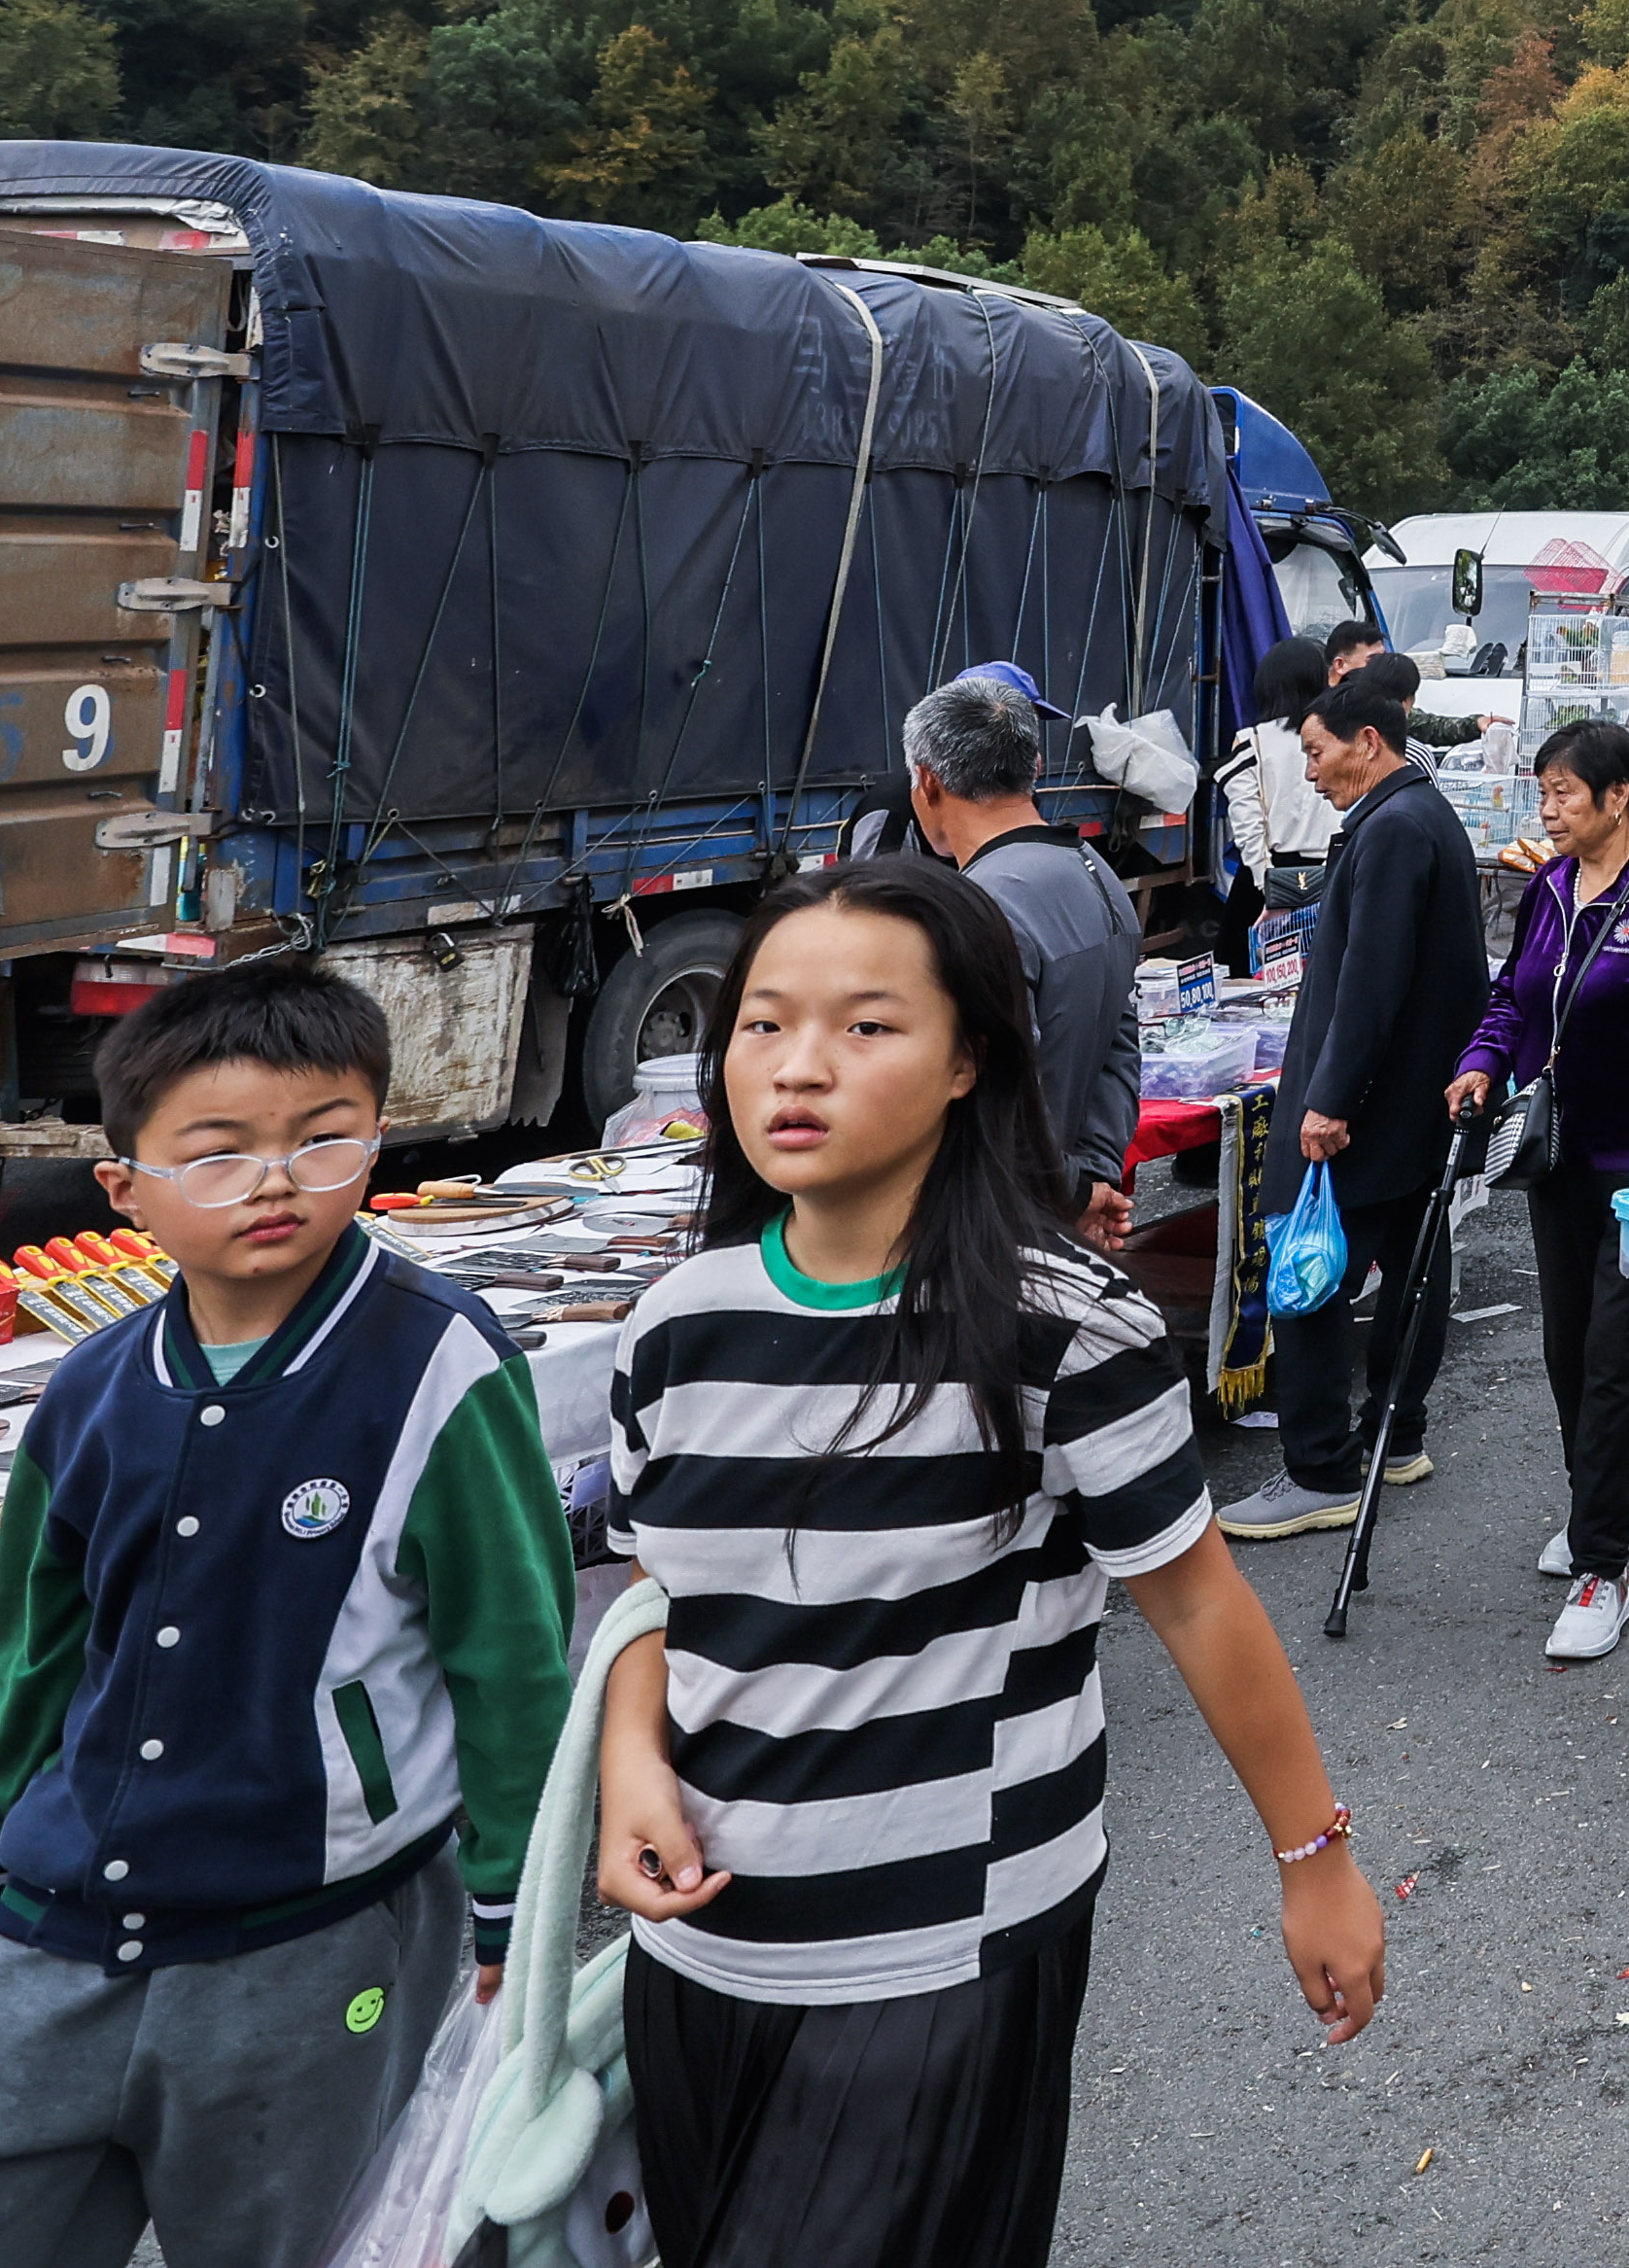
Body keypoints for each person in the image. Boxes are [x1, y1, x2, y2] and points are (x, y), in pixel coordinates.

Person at [591, 857, 1379, 2268]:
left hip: (940, 1953)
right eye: (763, 1025)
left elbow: (1197, 1599)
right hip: (701, 1952)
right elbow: (663, 1598)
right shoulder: (672, 1323)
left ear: (970, 1063)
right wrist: (629, 1767)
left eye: (868, 1027)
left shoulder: (1060, 1326)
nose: (797, 1067)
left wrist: (1314, 1857)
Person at [0, 965, 574, 2268]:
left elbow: (509, 1653)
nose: (279, 1182)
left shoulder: (439, 1364)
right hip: (52, 1929)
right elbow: (29, 1653)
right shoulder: (94, 1390)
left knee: (274, 2241)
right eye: (220, 1155)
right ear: (125, 1188)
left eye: (323, 1138)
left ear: (378, 1139)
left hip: (311, 1933)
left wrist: (519, 1901)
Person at [1449, 718, 1629, 1662]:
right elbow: (1512, 999)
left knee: (1619, 1360)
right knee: (1568, 1350)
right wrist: (1483, 1062)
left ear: (1620, 798)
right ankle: (1596, 1504)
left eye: (1565, 792)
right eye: (1544, 791)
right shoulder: (1549, 887)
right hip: (1555, 1158)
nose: (1549, 809)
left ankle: (1602, 1565)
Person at [1224, 666, 1488, 1533]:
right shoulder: (1411, 815)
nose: (1309, 771)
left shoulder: (1395, 827)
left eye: (1316, 751)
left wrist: (1330, 1098)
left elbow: (1370, 982)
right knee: (1414, 1265)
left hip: (1368, 1107)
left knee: (1311, 1275)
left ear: (1367, 743)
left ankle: (1322, 1466)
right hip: (1411, 1098)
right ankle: (1392, 1436)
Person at [898, 673, 1148, 1246]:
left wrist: (1074, 1189)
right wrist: (1089, 1179)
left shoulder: (982, 901)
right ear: (1031, 767)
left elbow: (994, 1089)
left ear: (928, 783)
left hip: (989, 1211)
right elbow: (1120, 1048)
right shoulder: (1096, 871)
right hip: (1046, 1198)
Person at [1219, 631, 1345, 981]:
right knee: (1325, 980)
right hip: (1331, 872)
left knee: (1246, 987)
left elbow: (1247, 822)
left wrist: (1268, 888)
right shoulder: (1342, 739)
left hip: (1267, 876)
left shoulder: (1252, 741)